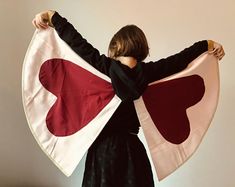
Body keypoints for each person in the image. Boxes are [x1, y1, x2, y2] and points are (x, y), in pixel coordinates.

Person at [32, 10, 225, 187]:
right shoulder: (150, 73)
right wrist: (207, 45)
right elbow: (180, 61)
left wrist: (53, 16)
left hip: (102, 151)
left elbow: (77, 44)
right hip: (133, 152)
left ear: (115, 47)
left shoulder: (104, 67)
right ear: (141, 48)